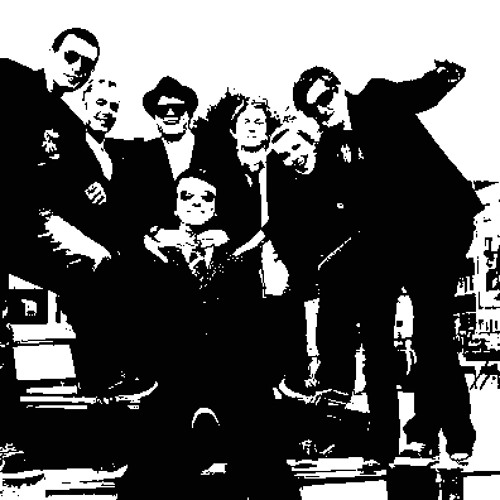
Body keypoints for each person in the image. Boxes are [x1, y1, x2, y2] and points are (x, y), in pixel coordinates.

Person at [292, 61, 484, 465]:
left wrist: (444, 78)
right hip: (386, 241)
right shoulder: (330, 146)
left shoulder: (376, 99)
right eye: (313, 109)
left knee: (431, 331)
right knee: (376, 340)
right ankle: (382, 443)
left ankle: (442, 434)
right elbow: (326, 205)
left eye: (325, 98)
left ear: (338, 87)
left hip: (439, 226)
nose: (323, 110)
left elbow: (418, 94)